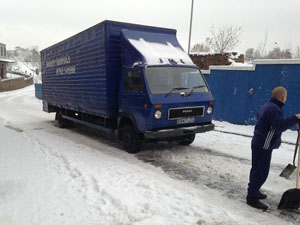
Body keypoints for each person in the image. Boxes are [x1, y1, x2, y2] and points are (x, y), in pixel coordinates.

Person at [247, 86, 300, 210]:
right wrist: (295, 118)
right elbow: (279, 126)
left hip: (259, 142)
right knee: (261, 172)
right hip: (263, 145)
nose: (286, 99)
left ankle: (254, 191)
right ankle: (252, 198)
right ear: (282, 97)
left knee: (256, 170)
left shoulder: (267, 106)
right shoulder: (274, 109)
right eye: (286, 97)